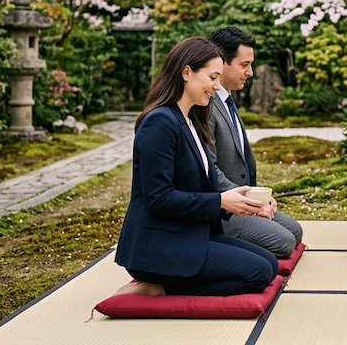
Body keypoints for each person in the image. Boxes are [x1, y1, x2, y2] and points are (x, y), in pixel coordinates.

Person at [114, 37, 278, 296]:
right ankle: (160, 288)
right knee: (258, 273)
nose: (216, 86)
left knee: (269, 263)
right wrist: (220, 202)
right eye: (213, 77)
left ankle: (165, 286)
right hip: (158, 245)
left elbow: (202, 186)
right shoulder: (159, 122)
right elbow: (159, 198)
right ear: (187, 72)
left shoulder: (191, 119)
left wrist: (243, 202)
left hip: (189, 232)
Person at [208, 26, 304, 258]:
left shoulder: (227, 99)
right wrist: (248, 203)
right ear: (221, 63)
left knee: (295, 232)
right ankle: (222, 245)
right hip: (225, 210)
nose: (250, 72)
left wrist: (261, 199)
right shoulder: (207, 105)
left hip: (245, 199)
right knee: (284, 243)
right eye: (244, 65)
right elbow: (209, 169)